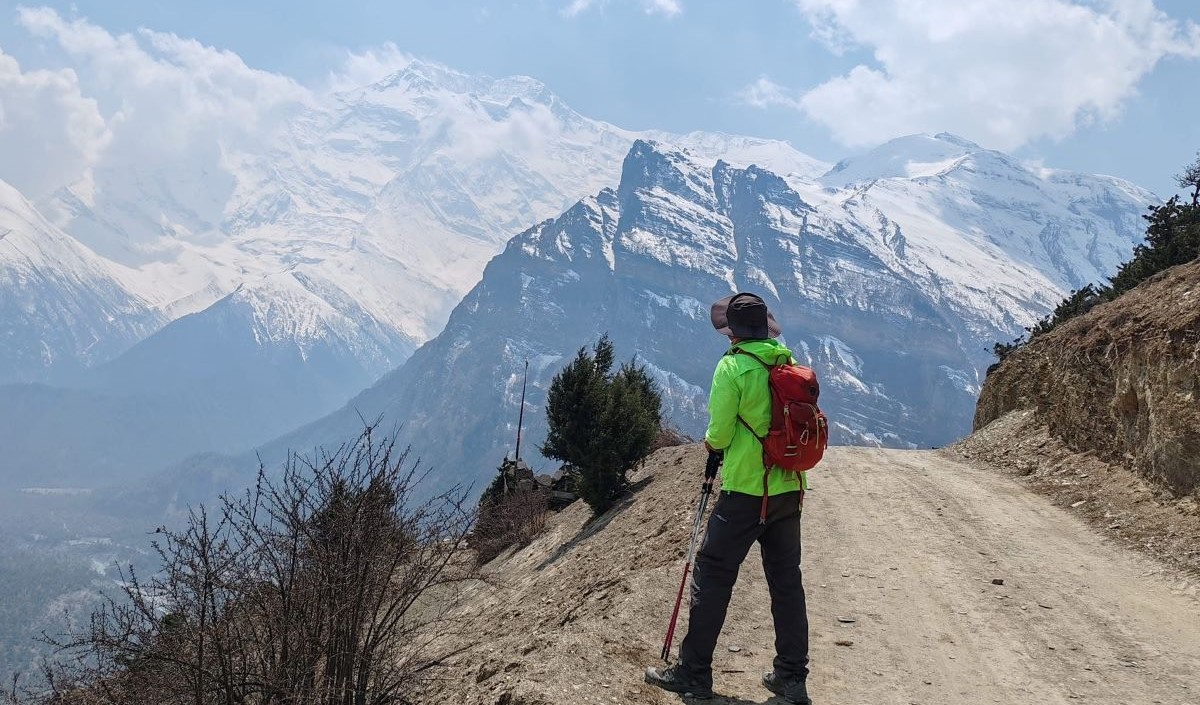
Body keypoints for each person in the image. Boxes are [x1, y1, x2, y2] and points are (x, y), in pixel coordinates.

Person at [645, 292, 811, 704]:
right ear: (765, 328)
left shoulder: (733, 368)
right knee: (786, 582)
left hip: (746, 492)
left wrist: (714, 445)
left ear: (732, 332)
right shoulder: (786, 363)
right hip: (789, 489)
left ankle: (693, 673)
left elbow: (718, 434)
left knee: (713, 574)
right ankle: (792, 678)